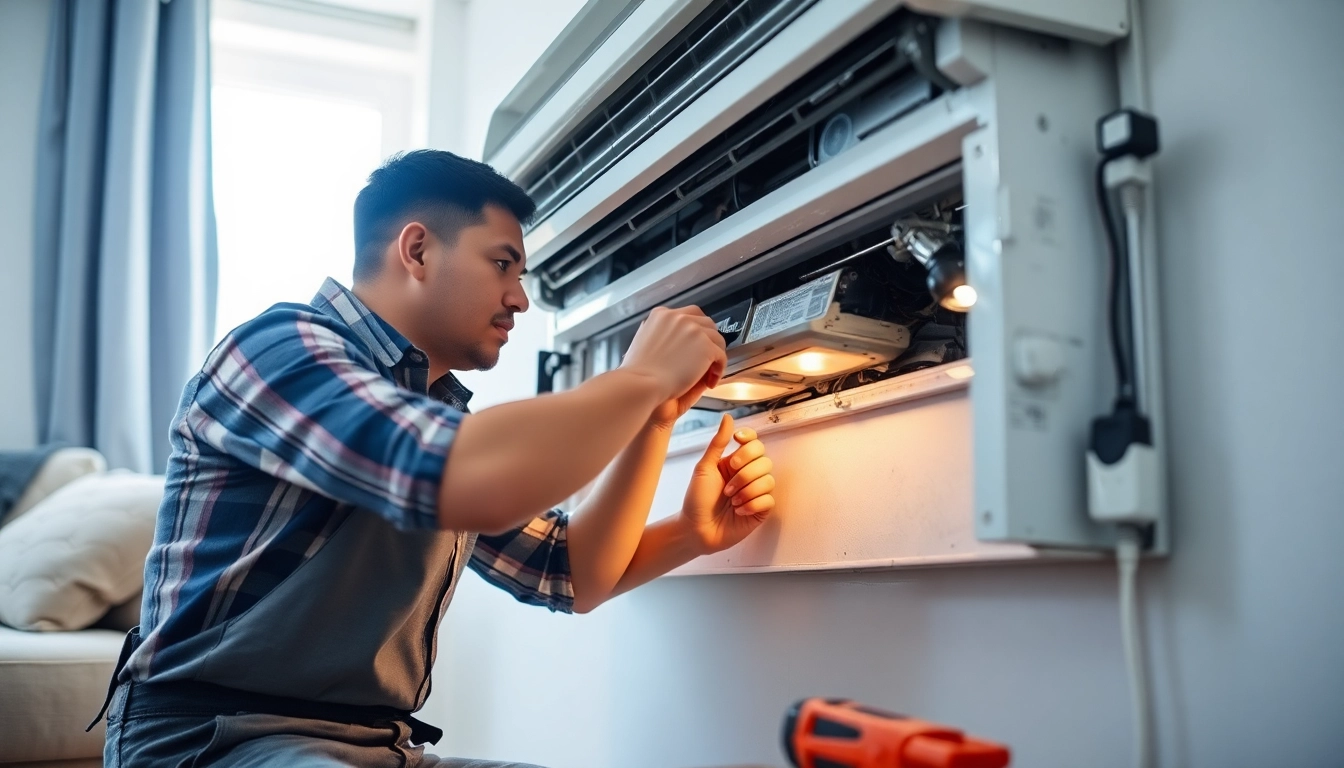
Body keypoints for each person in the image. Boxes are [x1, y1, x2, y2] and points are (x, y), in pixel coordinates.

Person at [92, 149, 777, 768]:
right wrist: (641, 379)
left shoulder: (439, 419)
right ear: (417, 250)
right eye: (503, 264)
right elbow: (464, 474)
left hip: (377, 746)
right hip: (214, 739)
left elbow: (567, 570)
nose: (520, 298)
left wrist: (676, 482)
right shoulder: (277, 350)